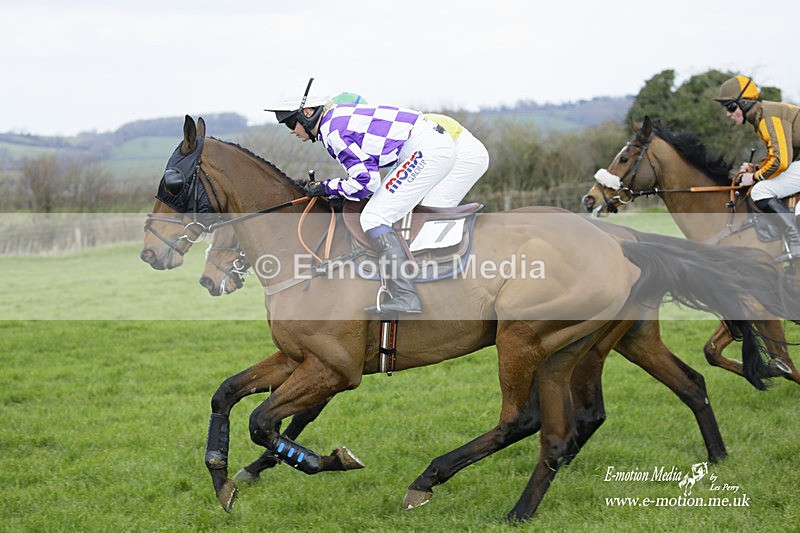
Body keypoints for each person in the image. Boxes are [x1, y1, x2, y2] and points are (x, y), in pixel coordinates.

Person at [265, 82, 489, 315]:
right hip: (426, 145)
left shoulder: (333, 132)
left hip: (426, 150)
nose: (291, 130)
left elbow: (367, 183)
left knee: (373, 217)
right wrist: (333, 188)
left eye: (290, 122)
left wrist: (327, 187)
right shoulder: (335, 119)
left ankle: (406, 296)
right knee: (386, 209)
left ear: (308, 113)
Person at [715, 74, 800, 256]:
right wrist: (756, 168)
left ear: (745, 103)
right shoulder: (765, 115)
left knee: (760, 190)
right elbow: (782, 155)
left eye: (730, 107)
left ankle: (794, 240)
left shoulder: (768, 117)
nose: (728, 114)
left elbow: (781, 161)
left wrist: (754, 177)